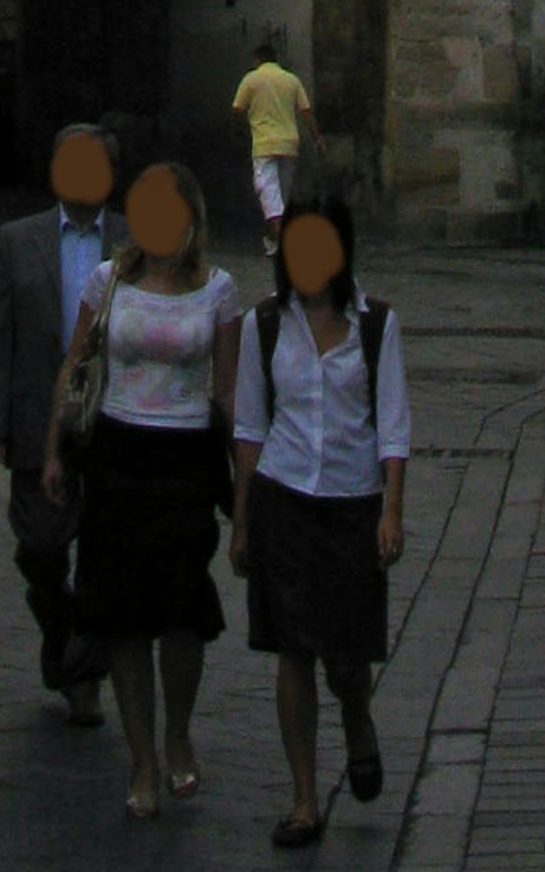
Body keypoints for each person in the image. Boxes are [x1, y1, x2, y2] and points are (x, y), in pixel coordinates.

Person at [50, 156, 240, 821]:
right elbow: (75, 365)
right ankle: (141, 760)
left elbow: (227, 392)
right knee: (125, 614)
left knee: (182, 612)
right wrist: (54, 451)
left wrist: (243, 487)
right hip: (118, 451)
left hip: (186, 456)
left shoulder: (218, 290)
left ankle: (177, 731)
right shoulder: (109, 280)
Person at [230, 198, 408, 845]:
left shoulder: (376, 325)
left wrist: (391, 508)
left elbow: (392, 424)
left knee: (345, 655)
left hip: (352, 502)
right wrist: (243, 519)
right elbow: (250, 425)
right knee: (293, 649)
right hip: (284, 497)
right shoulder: (265, 325)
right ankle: (304, 798)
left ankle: (357, 717)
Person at [0, 122, 119, 722]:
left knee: (105, 558)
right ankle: (61, 631)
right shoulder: (18, 239)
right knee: (39, 547)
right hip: (39, 415)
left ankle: (83, 674)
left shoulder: (135, 239)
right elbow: (0, 332)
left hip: (116, 422)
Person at [232, 30, 309, 228]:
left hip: (264, 145)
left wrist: (241, 130)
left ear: (258, 60)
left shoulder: (251, 79)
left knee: (269, 195)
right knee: (281, 195)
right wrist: (318, 139)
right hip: (289, 144)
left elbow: (237, 109)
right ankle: (275, 239)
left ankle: (282, 239)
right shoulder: (292, 80)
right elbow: (306, 112)